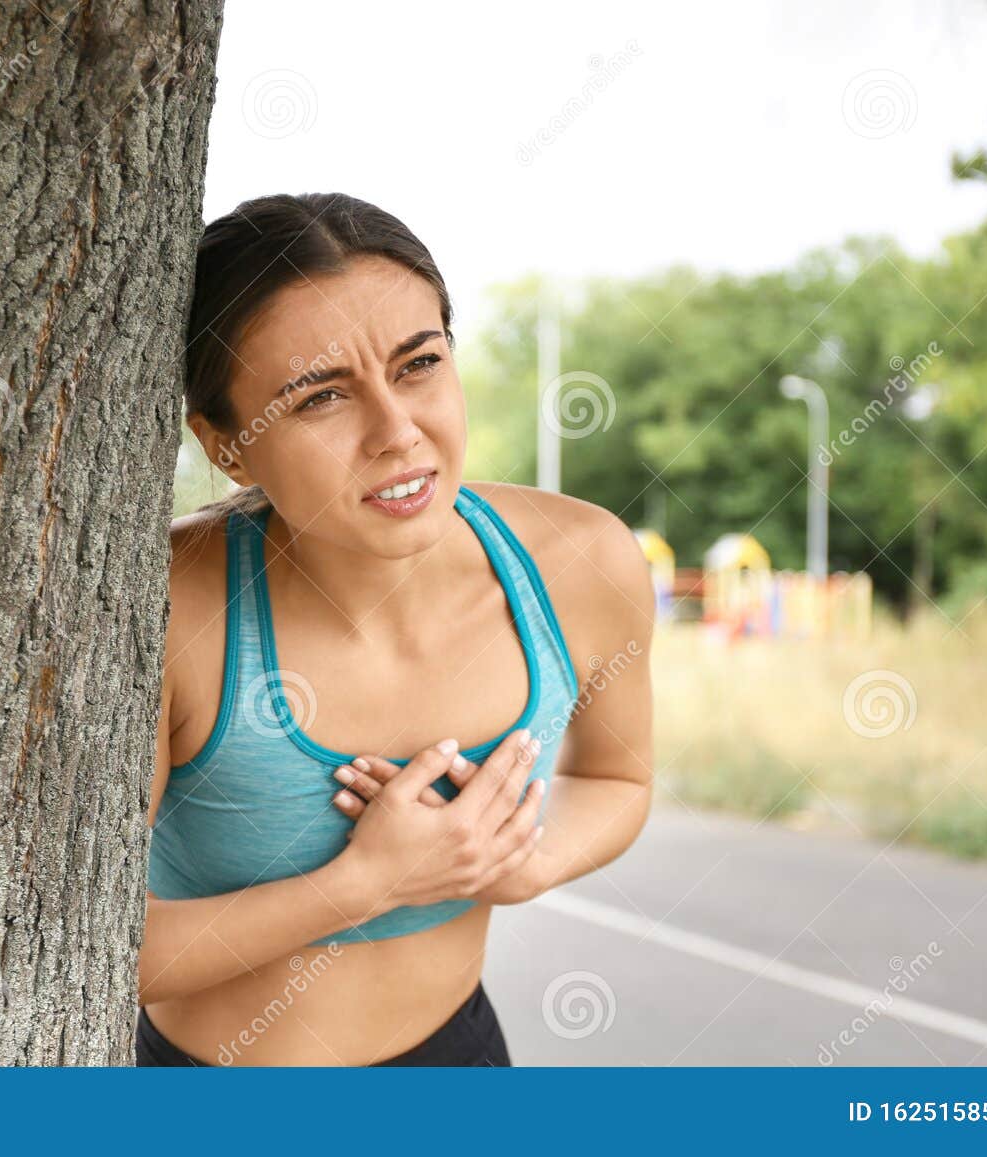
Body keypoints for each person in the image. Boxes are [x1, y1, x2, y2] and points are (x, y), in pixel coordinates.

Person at [136, 192, 655, 1066]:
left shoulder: (581, 563)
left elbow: (618, 777)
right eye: (320, 397)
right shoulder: (169, 611)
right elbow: (85, 946)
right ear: (226, 444)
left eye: (418, 364)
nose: (397, 430)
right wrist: (365, 883)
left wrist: (521, 861)